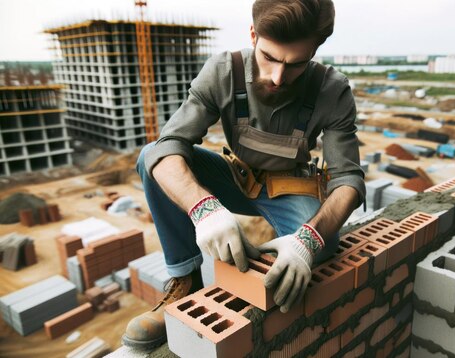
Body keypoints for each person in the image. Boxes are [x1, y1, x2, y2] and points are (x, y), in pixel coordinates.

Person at [123, 0, 364, 349]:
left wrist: (308, 241)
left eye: (296, 64)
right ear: (253, 34)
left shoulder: (332, 89)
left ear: (315, 50)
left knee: (321, 254)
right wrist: (202, 207)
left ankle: (254, 294)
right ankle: (185, 282)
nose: (278, 77)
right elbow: (168, 145)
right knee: (152, 159)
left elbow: (348, 181)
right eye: (269, 58)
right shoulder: (223, 72)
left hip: (290, 188)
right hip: (233, 180)